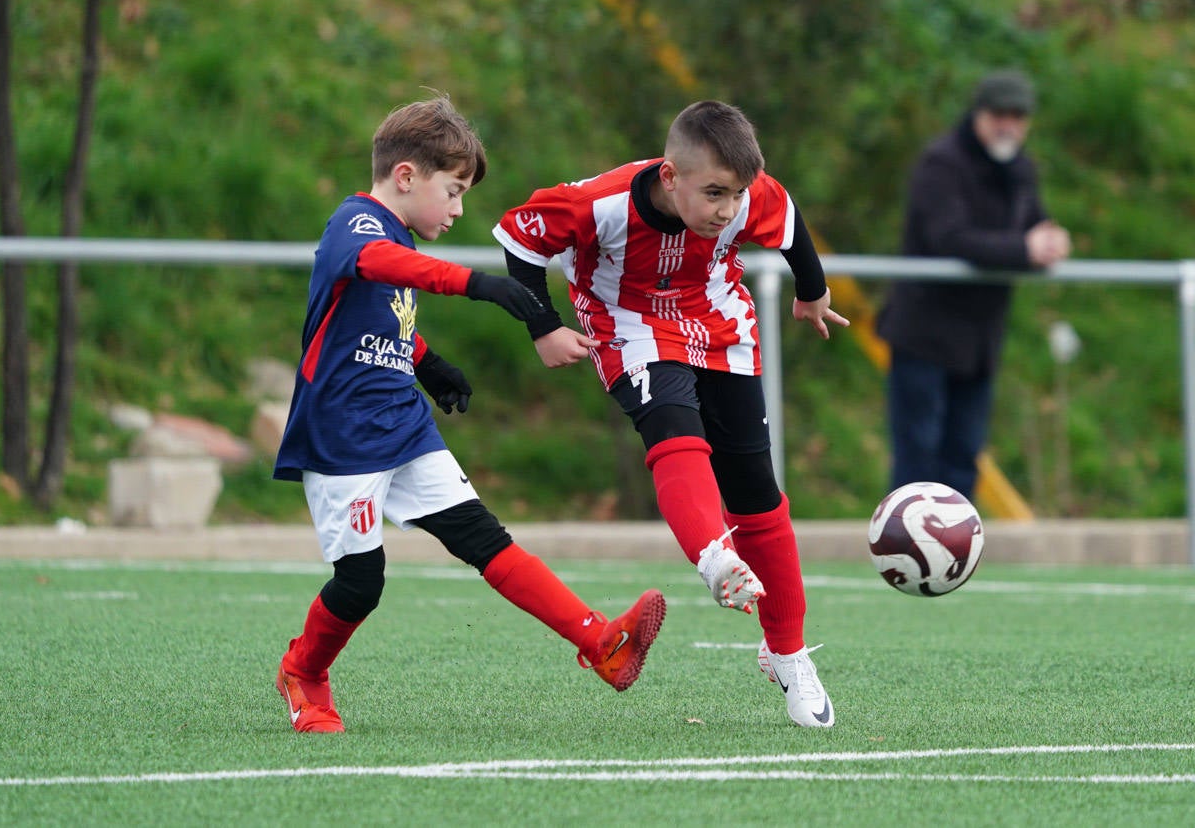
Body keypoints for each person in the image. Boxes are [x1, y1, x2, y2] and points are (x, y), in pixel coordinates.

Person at [272, 97, 665, 733]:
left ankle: (603, 644)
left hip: (402, 422)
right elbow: (382, 267)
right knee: (360, 583)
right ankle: (305, 671)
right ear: (406, 177)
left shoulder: (394, 231)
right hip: (343, 435)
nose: (458, 210)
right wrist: (478, 284)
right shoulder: (357, 223)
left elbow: (377, 315)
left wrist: (427, 362)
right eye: (452, 192)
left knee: (486, 540)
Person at [492, 100, 849, 728]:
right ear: (668, 177)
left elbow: (788, 223)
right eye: (713, 193)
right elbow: (518, 240)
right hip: (629, 326)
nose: (728, 209)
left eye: (737, 195)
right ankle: (716, 560)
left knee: (757, 495)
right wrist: (543, 327)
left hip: (721, 325)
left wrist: (812, 293)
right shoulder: (596, 205)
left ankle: (787, 654)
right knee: (675, 429)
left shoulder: (746, 194)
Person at [876, 69, 1072, 500]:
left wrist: (1051, 239)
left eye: (1018, 116)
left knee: (963, 457)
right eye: (999, 114)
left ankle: (952, 561)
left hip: (979, 340)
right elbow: (951, 237)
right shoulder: (942, 163)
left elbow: (1034, 224)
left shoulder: (1021, 170)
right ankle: (905, 558)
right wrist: (1026, 249)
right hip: (923, 333)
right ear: (978, 115)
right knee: (917, 457)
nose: (1009, 125)